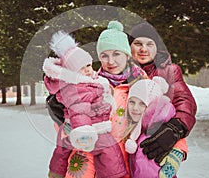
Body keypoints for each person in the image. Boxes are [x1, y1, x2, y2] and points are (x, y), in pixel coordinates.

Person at [65, 21, 148, 178]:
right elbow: (74, 127)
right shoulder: (88, 85)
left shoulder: (143, 85)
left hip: (129, 163)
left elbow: (161, 120)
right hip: (93, 161)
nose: (110, 61)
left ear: (127, 55)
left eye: (116, 54)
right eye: (104, 55)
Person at [43, 31, 127, 178]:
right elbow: (79, 109)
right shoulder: (79, 87)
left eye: (88, 65)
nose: (88, 69)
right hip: (88, 131)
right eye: (105, 55)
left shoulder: (95, 82)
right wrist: (82, 131)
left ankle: (55, 172)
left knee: (63, 150)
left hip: (92, 129)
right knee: (109, 151)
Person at [128, 22, 197, 167]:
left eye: (149, 44)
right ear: (129, 47)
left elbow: (185, 101)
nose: (143, 49)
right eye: (138, 43)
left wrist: (176, 127)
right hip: (126, 142)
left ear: (156, 47)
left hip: (155, 141)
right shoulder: (120, 70)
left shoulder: (169, 71)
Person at [124, 77, 186, 178]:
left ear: (152, 106)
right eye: (131, 102)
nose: (135, 108)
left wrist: (177, 153)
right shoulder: (139, 127)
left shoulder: (155, 133)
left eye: (142, 103)